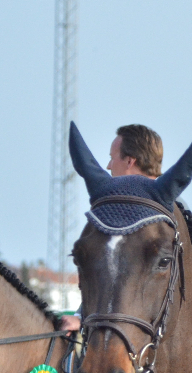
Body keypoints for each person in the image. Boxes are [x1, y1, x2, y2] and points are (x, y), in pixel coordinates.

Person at [60, 124, 164, 333]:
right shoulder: (172, 208)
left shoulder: (161, 215)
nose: (108, 165)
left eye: (112, 157)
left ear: (129, 161)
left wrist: (83, 319)